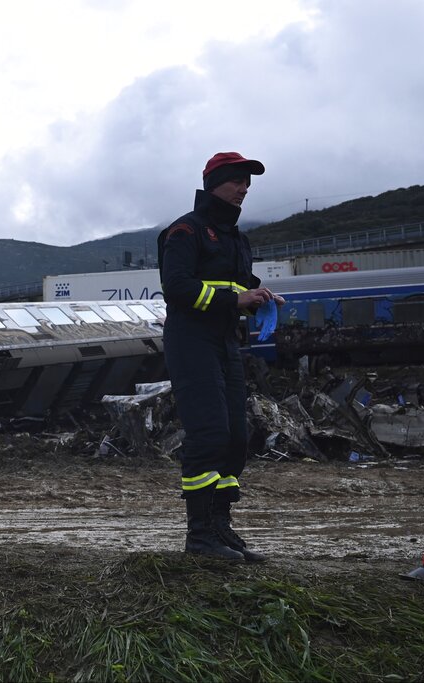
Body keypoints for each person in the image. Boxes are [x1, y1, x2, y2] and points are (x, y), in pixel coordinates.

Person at [157, 152, 284, 562]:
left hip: (226, 341)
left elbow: (239, 291)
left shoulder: (236, 238)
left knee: (234, 440)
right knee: (208, 434)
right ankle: (200, 538)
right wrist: (237, 297)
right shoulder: (185, 230)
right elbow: (177, 287)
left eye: (248, 182)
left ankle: (220, 528)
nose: (244, 188)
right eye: (237, 181)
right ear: (215, 182)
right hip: (191, 341)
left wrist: (260, 300)